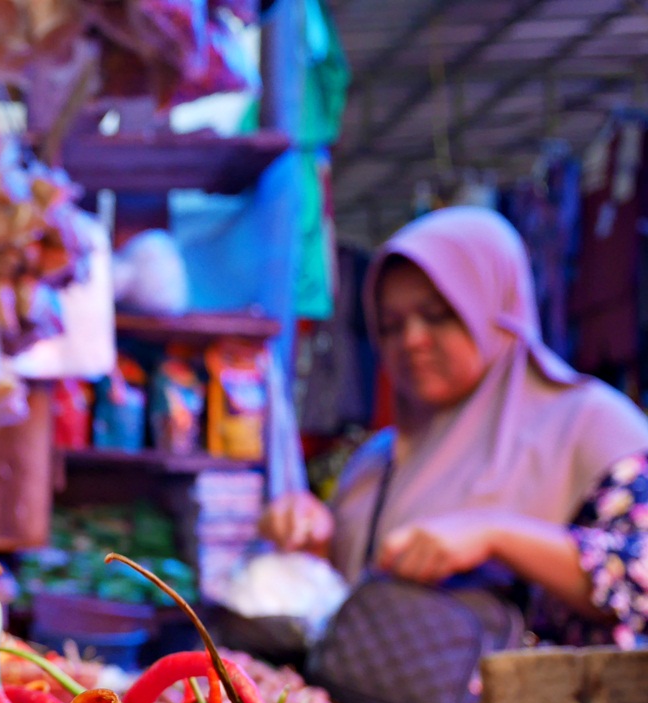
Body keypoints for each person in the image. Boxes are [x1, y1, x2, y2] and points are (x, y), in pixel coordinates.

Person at [262, 206, 648, 646]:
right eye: (390, 326)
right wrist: (310, 541)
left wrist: (496, 534)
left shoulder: (589, 423)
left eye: (439, 314)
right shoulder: (377, 459)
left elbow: (639, 575)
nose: (412, 340)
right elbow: (346, 610)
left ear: (498, 308)